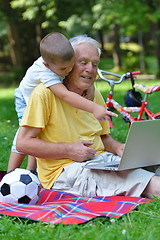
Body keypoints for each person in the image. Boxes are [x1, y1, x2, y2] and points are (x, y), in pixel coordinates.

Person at [16, 35, 160, 199]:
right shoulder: (44, 94)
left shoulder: (94, 93)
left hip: (101, 161)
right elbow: (23, 143)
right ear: (69, 65)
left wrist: (119, 148)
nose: (90, 69)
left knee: (152, 162)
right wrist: (69, 150)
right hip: (64, 171)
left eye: (95, 64)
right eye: (83, 62)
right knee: (144, 181)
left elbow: (103, 138)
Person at [7, 32, 117, 173]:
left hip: (38, 96)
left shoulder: (59, 59)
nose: (68, 71)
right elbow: (65, 95)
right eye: (64, 69)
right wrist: (94, 107)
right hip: (24, 97)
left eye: (71, 66)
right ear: (47, 64)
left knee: (40, 132)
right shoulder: (46, 72)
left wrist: (90, 85)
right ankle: (10, 174)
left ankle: (32, 170)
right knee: (25, 134)